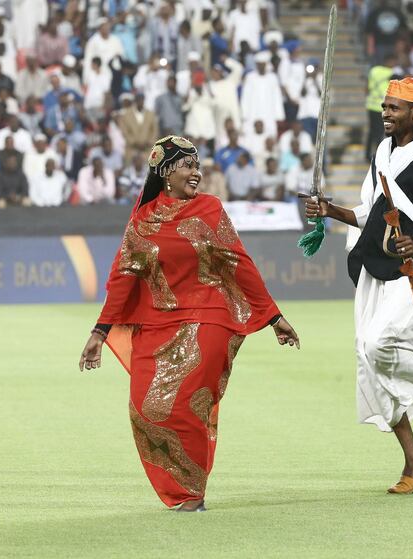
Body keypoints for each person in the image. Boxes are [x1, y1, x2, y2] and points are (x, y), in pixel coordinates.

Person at [78, 135, 300, 512]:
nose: (196, 173)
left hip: (209, 317)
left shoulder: (210, 209)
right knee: (145, 408)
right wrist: (99, 332)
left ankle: (190, 494)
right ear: (165, 172)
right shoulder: (143, 221)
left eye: (197, 166)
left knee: (188, 404)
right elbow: (122, 277)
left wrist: (273, 316)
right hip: (158, 323)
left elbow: (238, 263)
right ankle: (184, 487)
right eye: (187, 166)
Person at [303, 78, 413, 494]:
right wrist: (330, 210)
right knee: (368, 361)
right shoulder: (382, 152)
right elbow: (371, 212)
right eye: (384, 107)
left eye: (394, 108)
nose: (385, 114)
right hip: (375, 264)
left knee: (380, 344)